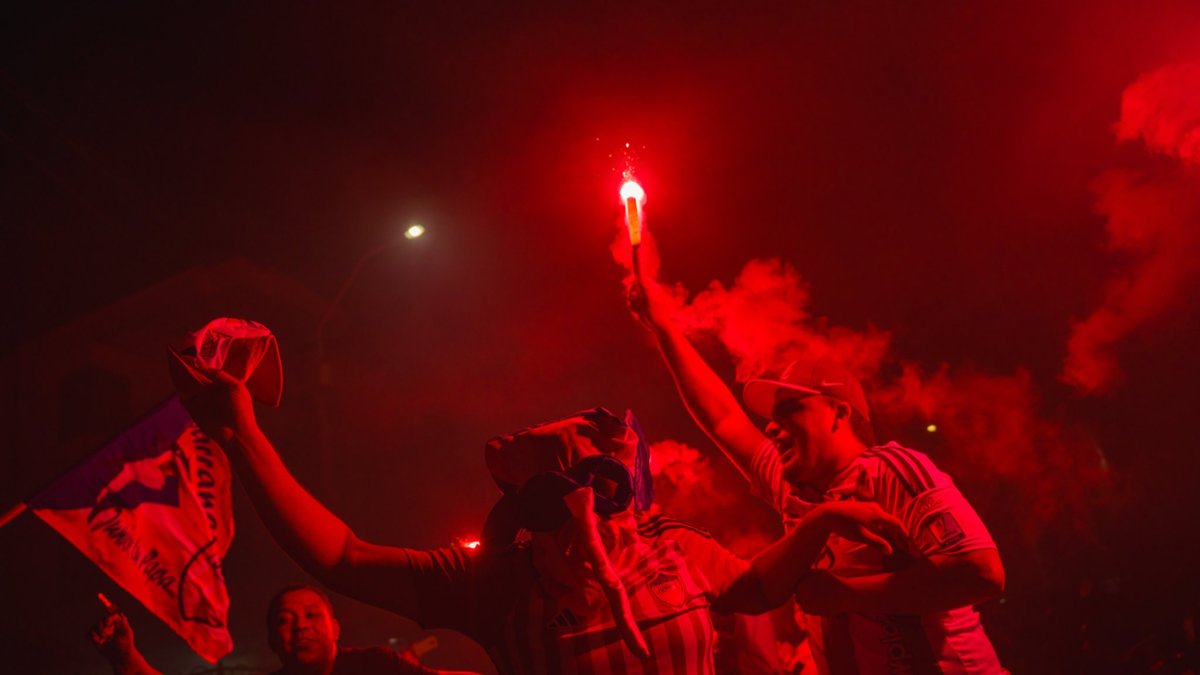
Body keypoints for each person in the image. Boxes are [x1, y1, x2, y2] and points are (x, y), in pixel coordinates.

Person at [174, 349, 909, 674]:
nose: (595, 514)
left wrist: (818, 524)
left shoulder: (673, 548)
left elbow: (756, 589)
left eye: (608, 487)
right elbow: (339, 555)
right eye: (567, 497)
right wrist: (242, 438)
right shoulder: (499, 585)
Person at [626, 269, 1006, 674]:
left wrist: (847, 595)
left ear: (838, 413)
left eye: (790, 410)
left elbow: (981, 574)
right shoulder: (797, 488)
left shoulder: (894, 471)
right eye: (772, 417)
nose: (771, 427)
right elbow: (722, 420)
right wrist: (663, 326)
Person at [90, 584, 474, 674]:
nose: (301, 627)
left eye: (311, 616)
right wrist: (124, 655)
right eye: (286, 621)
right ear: (274, 641)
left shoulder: (376, 666)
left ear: (334, 628)